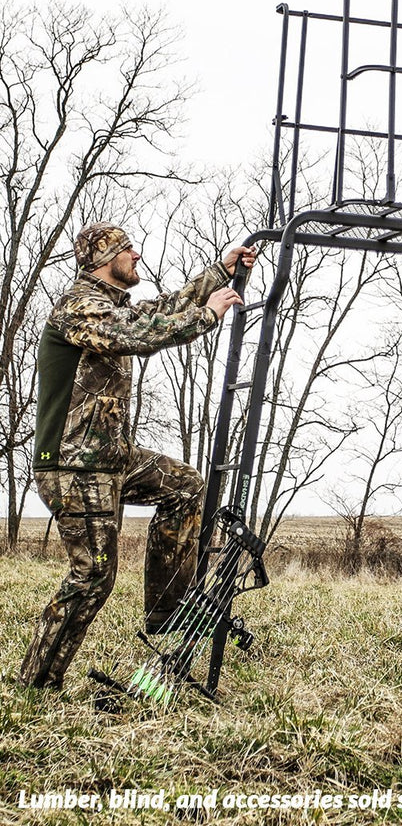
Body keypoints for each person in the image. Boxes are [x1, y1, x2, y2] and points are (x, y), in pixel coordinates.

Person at [18, 222, 257, 690]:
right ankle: (36, 684)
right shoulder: (77, 308)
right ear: (104, 258)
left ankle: (167, 610)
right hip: (73, 466)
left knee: (184, 487)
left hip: (110, 458)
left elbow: (157, 311)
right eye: (128, 248)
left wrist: (220, 271)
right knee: (93, 576)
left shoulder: (111, 306)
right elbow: (138, 334)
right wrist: (207, 315)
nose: (137, 255)